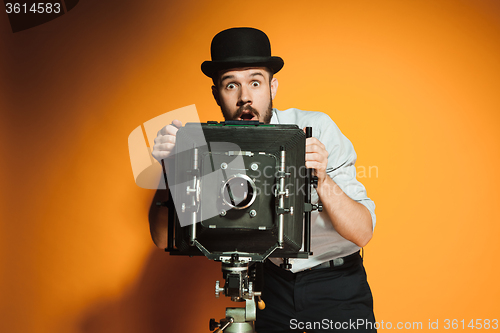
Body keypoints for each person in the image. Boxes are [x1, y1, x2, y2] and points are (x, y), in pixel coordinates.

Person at [149, 27, 377, 332]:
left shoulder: (316, 129)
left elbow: (362, 231)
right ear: (217, 93)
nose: (245, 98)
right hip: (272, 288)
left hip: (336, 287)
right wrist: (170, 168)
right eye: (232, 85)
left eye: (255, 82)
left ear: (273, 87)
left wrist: (322, 181)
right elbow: (163, 238)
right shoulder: (206, 148)